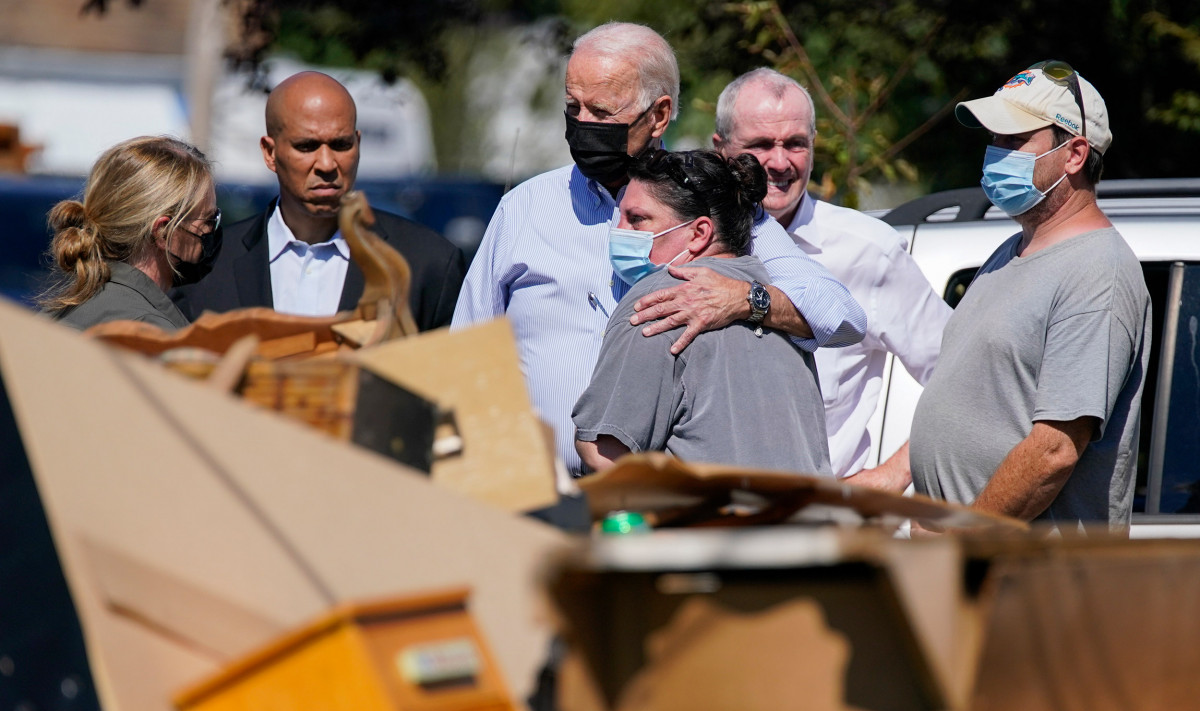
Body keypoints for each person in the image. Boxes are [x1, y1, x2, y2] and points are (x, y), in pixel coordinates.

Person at [452, 22, 864, 476]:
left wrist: (744, 300)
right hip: (541, 500)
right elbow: (465, 356)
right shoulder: (524, 208)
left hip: (668, 511)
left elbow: (841, 315)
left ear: (660, 114)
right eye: (573, 107)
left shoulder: (713, 200)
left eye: (603, 111)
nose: (584, 123)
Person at [909, 61, 1152, 535]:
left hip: (1035, 586)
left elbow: (1055, 449)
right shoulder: (1011, 250)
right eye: (993, 140)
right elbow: (975, 401)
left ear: (1075, 154)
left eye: (1013, 140)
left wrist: (958, 537)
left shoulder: (1098, 270)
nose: (995, 154)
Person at [713, 68, 952, 491]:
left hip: (828, 524)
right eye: (761, 145)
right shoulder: (686, 242)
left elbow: (967, 378)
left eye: (795, 144)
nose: (780, 162)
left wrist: (889, 477)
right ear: (720, 149)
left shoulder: (868, 251)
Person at [573, 149, 832, 475]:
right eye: (620, 217)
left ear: (699, 234)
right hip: (815, 519)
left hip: (712, 523)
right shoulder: (777, 301)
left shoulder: (660, 299)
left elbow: (607, 452)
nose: (620, 230)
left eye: (637, 219)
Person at [174, 71, 465, 330]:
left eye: (341, 144)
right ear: (269, 153)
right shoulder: (206, 265)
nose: (327, 163)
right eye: (307, 146)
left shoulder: (427, 263)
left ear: (358, 144)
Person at [40, 135, 218, 331]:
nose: (212, 230)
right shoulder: (151, 333)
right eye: (209, 219)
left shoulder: (50, 319)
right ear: (162, 232)